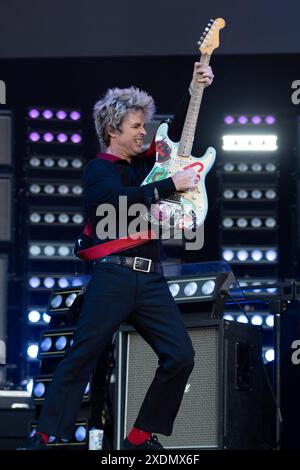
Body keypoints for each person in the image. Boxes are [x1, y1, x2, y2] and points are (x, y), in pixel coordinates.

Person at [22, 61, 214, 450]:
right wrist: (167, 187)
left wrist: (195, 90)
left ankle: (140, 436)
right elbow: (111, 202)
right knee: (82, 356)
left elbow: (177, 134)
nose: (145, 132)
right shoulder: (99, 169)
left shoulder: (150, 165)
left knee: (180, 355)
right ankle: (42, 437)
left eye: (145, 126)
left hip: (152, 278)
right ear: (113, 131)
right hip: (113, 276)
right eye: (137, 126)